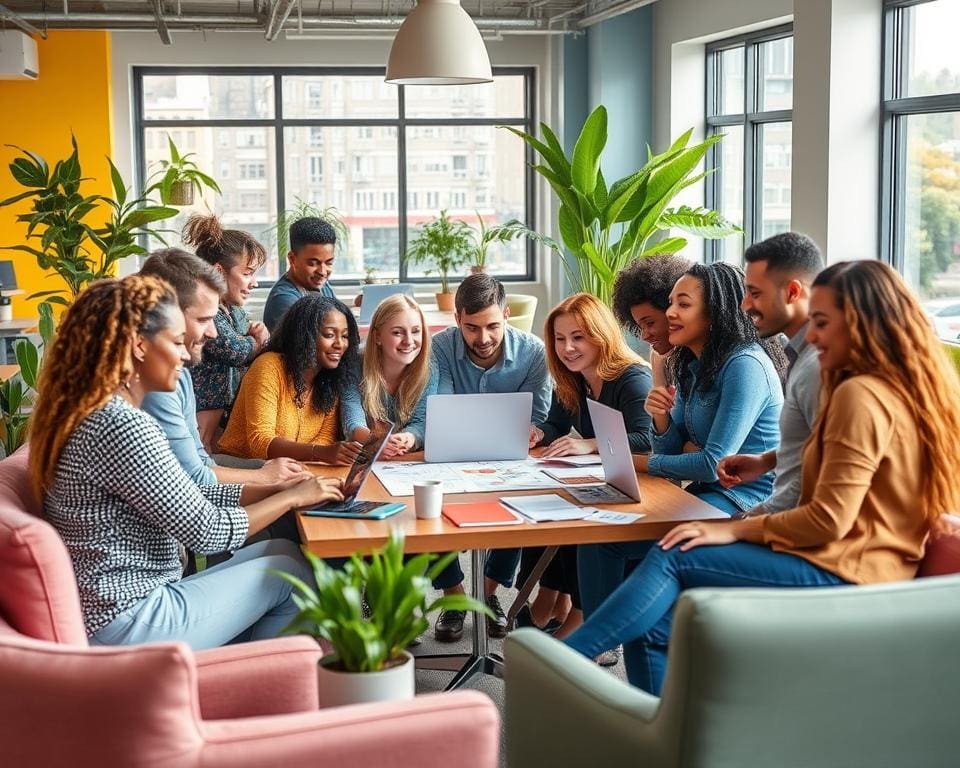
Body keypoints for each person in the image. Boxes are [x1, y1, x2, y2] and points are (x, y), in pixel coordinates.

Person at [565, 260, 960, 695]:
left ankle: (567, 663)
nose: (811, 337)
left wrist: (738, 529)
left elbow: (828, 521)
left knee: (674, 553)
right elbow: (837, 464)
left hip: (850, 566)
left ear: (863, 325)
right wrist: (768, 460)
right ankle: (640, 718)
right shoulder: (882, 388)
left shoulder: (855, 395)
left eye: (823, 323)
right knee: (655, 604)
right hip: (847, 552)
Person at [30, 276, 345, 649]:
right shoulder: (121, 425)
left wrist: (275, 486)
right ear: (139, 346)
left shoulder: (94, 411)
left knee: (284, 552)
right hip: (129, 617)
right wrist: (291, 499)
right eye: (177, 342)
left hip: (120, 605)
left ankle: (246, 667)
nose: (185, 354)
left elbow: (191, 495)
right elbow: (207, 532)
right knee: (289, 576)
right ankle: (247, 686)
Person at [578, 262, 786, 681]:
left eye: (682, 304)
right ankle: (597, 653)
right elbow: (673, 447)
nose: (670, 312)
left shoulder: (744, 365)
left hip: (744, 502)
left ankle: (583, 651)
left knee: (647, 567)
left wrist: (643, 461)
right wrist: (659, 420)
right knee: (599, 539)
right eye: (671, 301)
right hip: (705, 493)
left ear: (715, 313)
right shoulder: (691, 365)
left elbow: (712, 461)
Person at [519, 293, 653, 639]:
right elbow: (556, 424)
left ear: (600, 335)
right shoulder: (575, 376)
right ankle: (552, 602)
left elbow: (648, 439)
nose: (568, 348)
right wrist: (539, 433)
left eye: (578, 337)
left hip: (646, 483)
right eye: (561, 339)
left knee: (577, 518)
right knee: (544, 504)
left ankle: (584, 617)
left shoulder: (632, 378)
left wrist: (590, 444)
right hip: (611, 476)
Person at [430, 273, 552, 642]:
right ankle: (454, 598)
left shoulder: (532, 351)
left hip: (511, 458)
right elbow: (442, 409)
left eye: (492, 326)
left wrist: (533, 432)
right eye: (471, 328)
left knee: (516, 503)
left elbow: (539, 415)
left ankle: (486, 595)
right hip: (450, 454)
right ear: (457, 321)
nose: (483, 338)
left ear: (507, 313)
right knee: (426, 506)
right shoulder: (439, 347)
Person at [140, 249, 308, 487]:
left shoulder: (181, 373)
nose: (213, 333)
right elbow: (195, 480)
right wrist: (268, 480)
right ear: (166, 315)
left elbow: (202, 463)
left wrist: (281, 481)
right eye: (202, 320)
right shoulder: (156, 385)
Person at [717, 232, 824, 515]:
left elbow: (818, 477)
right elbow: (815, 442)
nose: (744, 305)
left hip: (803, 531)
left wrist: (748, 522)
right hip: (785, 516)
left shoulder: (818, 367)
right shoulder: (800, 357)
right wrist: (767, 461)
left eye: (755, 293)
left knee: (674, 553)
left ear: (792, 292)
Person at [218, 293, 364, 466]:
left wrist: (320, 455)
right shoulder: (269, 366)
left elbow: (325, 437)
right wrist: (319, 453)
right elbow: (260, 442)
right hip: (243, 468)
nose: (340, 344)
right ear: (305, 336)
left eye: (345, 336)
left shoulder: (330, 378)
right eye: (329, 335)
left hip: (294, 471)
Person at [182, 214, 271, 453]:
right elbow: (234, 349)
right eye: (247, 273)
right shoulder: (209, 314)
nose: (254, 283)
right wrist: (255, 341)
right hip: (201, 412)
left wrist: (255, 338)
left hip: (220, 411)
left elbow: (250, 338)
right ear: (219, 272)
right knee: (203, 462)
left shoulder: (233, 311)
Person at [341, 294, 439, 457]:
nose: (409, 341)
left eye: (416, 331)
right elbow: (352, 420)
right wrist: (376, 442)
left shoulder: (429, 368)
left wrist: (408, 437)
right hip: (361, 458)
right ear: (377, 336)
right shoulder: (354, 364)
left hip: (404, 459)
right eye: (397, 333)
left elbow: (423, 421)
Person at [611, 253, 692, 385]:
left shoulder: (721, 361)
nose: (644, 336)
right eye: (639, 327)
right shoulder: (661, 357)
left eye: (650, 323)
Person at [263, 216, 338, 333]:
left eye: (329, 263)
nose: (322, 272)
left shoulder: (321, 285)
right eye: (313, 263)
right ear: (292, 259)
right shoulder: (284, 299)